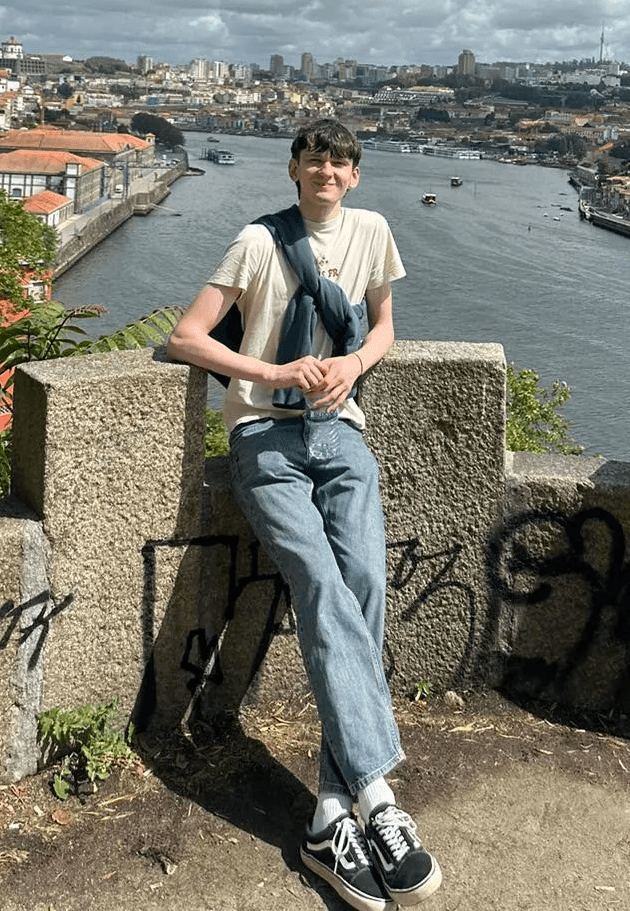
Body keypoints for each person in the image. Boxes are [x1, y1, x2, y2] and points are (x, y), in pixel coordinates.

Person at [167, 119, 441, 911]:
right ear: (293, 168)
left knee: (363, 584)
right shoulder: (257, 241)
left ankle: (331, 810)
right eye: (316, 156)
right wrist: (271, 371)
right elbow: (189, 336)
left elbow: (384, 321)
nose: (328, 168)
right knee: (321, 582)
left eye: (342, 160)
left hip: (340, 431)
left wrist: (352, 362)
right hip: (263, 434)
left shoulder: (374, 232)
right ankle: (378, 796)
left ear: (355, 177)